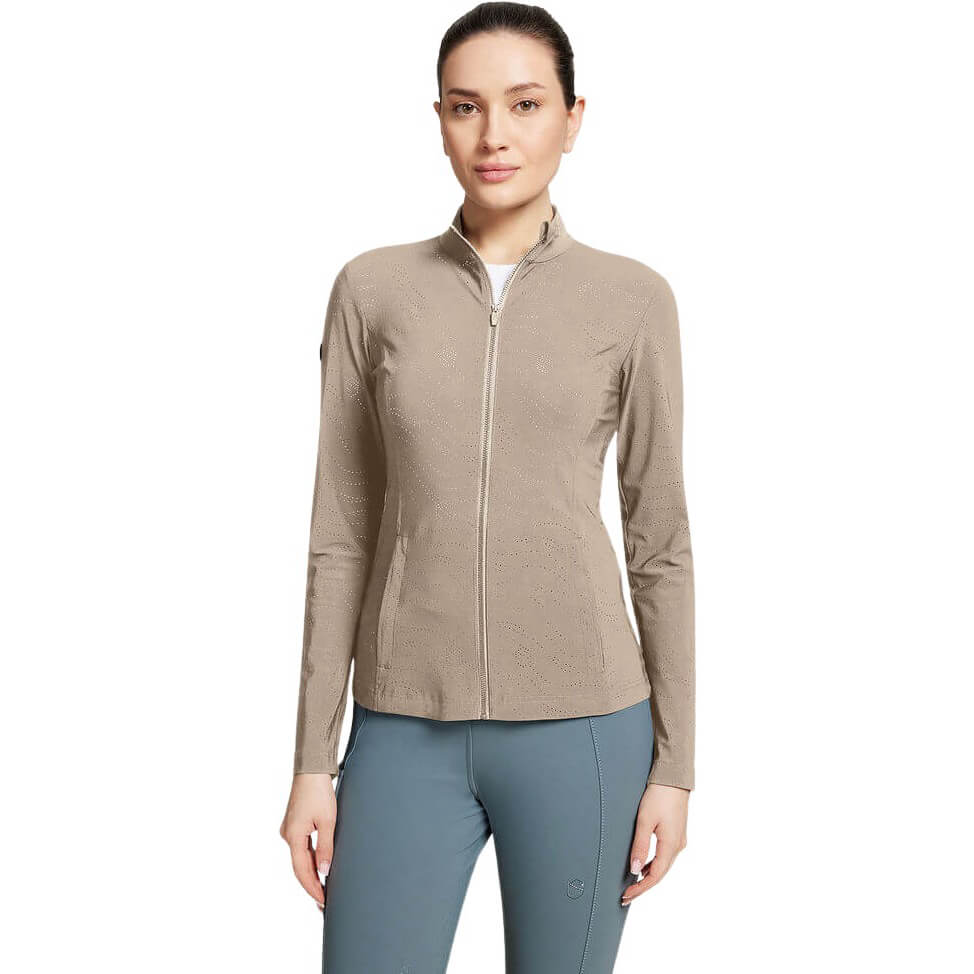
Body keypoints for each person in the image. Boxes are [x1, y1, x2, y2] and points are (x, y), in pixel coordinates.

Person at [279, 4, 695, 970]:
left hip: (586, 732)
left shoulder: (633, 299)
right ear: (439, 120)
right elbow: (341, 534)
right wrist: (311, 759)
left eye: (526, 104)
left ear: (573, 118)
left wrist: (675, 766)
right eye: (466, 106)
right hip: (401, 727)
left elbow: (660, 540)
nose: (494, 134)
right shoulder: (372, 291)